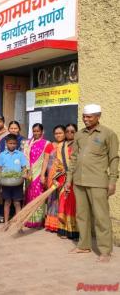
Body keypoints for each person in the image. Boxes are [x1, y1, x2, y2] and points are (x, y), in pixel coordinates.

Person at [67, 104, 119, 262]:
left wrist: (112, 181)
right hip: (79, 181)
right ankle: (84, 245)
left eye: (89, 117)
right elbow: (74, 157)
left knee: (101, 216)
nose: (85, 119)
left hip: (98, 181)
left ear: (98, 116)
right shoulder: (79, 135)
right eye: (84, 116)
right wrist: (69, 179)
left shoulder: (108, 134)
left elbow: (113, 159)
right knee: (82, 215)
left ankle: (105, 251)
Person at [23, 123, 51, 228]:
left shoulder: (46, 143)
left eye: (38, 131)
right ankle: (28, 219)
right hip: (29, 174)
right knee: (29, 196)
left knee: (37, 196)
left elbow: (46, 161)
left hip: (39, 174)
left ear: (42, 131)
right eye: (34, 131)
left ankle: (38, 221)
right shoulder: (27, 143)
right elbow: (24, 158)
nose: (36, 133)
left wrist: (43, 175)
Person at [0, 134, 29, 225]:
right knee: (7, 202)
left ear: (17, 144)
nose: (12, 145)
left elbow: (24, 167)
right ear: (6, 143)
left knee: (17, 203)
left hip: (17, 183)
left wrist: (25, 174)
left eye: (14, 143)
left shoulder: (20, 154)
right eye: (10, 143)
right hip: (6, 182)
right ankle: (6, 222)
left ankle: (18, 223)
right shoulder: (2, 155)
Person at [57, 123, 79, 239]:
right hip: (63, 177)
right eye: (67, 131)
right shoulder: (61, 146)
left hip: (75, 178)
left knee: (73, 204)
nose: (69, 133)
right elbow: (58, 162)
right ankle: (63, 229)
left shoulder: (78, 145)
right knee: (63, 202)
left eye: (72, 131)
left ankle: (74, 231)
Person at [44, 125, 66, 233]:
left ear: (65, 133)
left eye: (60, 133)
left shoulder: (67, 146)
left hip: (63, 174)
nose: (58, 135)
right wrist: (43, 175)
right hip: (51, 176)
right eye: (56, 133)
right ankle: (51, 224)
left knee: (62, 198)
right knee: (52, 199)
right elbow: (45, 161)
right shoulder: (50, 145)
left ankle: (61, 224)